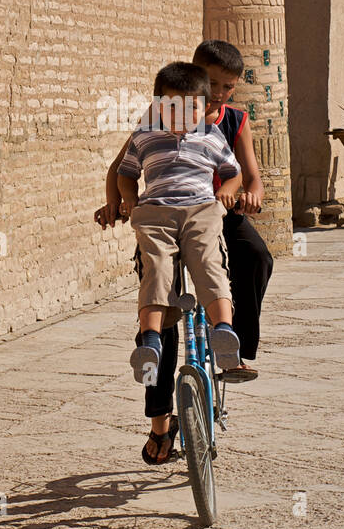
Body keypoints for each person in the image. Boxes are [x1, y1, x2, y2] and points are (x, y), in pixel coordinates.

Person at [95, 40, 273, 464]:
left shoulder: (232, 121)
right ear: (193, 75)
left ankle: (233, 346)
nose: (219, 94)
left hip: (215, 213)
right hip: (162, 216)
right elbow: (122, 169)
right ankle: (161, 421)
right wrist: (118, 203)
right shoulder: (160, 118)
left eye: (228, 87)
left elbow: (251, 178)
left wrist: (249, 196)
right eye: (211, 83)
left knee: (256, 258)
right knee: (165, 305)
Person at [116, 62, 244, 465]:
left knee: (210, 265)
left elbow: (233, 173)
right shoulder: (145, 134)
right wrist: (127, 200)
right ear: (157, 105)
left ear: (202, 108)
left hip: (201, 211)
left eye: (189, 108)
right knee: (155, 271)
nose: (179, 116)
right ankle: (150, 344)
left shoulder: (212, 135)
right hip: (155, 214)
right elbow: (124, 173)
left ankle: (224, 333)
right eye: (170, 107)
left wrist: (228, 194)